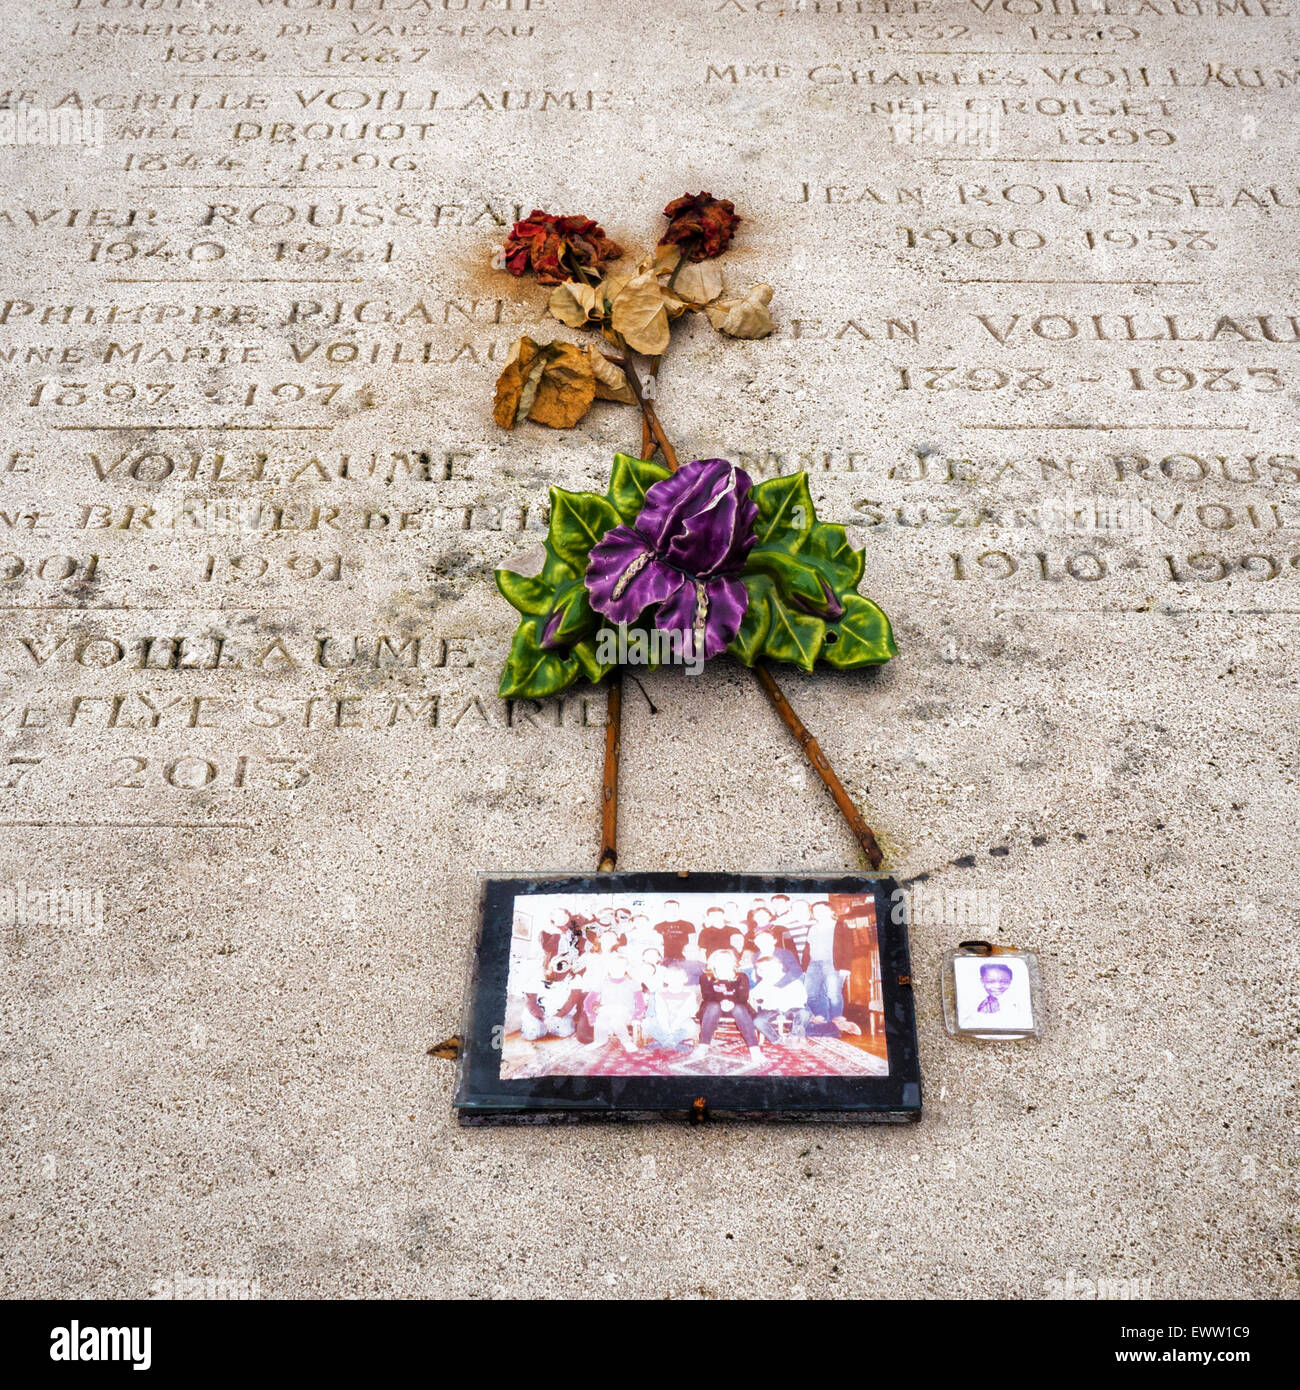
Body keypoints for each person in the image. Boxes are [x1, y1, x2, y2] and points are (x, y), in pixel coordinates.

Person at [690, 949, 763, 1069]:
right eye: (720, 960)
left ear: (733, 962)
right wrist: (722, 1001)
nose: (724, 963)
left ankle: (754, 1049)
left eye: (727, 960)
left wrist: (731, 1003)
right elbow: (707, 996)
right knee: (713, 1006)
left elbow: (743, 997)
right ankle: (703, 1045)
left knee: (739, 1008)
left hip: (737, 1007)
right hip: (713, 1009)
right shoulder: (706, 977)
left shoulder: (741, 976)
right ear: (713, 962)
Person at [804, 900, 860, 1035]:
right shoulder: (812, 928)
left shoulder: (840, 926)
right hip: (813, 964)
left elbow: (849, 948)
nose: (818, 912)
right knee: (810, 994)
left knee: (832, 994)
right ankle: (824, 1022)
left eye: (822, 909)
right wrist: (804, 967)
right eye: (815, 910)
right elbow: (807, 949)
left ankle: (838, 1021)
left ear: (831, 911)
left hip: (833, 964)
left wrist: (846, 967)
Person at [751, 955, 810, 1043]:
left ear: (778, 967)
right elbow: (754, 994)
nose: (761, 971)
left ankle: (794, 1036)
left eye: (765, 968)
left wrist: (791, 1001)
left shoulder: (791, 980)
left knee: (804, 1013)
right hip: (771, 1009)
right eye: (759, 969)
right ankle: (777, 1039)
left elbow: (803, 997)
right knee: (758, 1021)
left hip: (791, 1008)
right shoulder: (764, 983)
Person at [643, 962, 698, 1050]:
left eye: (679, 978)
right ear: (666, 980)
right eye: (671, 978)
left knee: (691, 1027)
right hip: (663, 1021)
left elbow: (685, 1013)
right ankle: (672, 1043)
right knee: (646, 1023)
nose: (675, 981)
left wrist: (674, 1026)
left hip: (681, 1021)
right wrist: (666, 1027)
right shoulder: (660, 993)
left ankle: (664, 1042)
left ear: (685, 979)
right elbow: (661, 1012)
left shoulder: (690, 994)